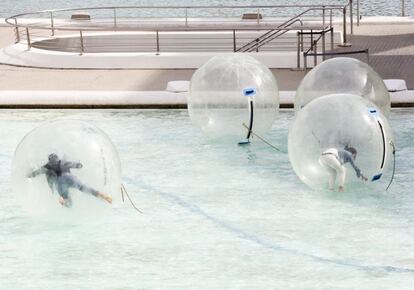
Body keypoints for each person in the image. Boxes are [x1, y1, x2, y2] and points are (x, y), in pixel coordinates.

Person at [28, 153, 112, 207]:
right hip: (69, 178)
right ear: (57, 158)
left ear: (49, 160)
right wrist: (79, 163)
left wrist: (28, 174)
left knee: (69, 203)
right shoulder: (63, 162)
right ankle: (105, 197)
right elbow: (79, 166)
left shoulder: (46, 166)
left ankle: (63, 200)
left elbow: (34, 174)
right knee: (84, 188)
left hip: (59, 182)